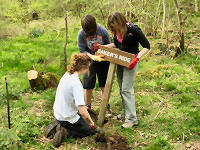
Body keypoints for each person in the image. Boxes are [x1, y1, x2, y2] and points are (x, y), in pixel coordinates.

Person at [102, 12, 150, 128]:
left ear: (120, 22)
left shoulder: (133, 30)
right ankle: (125, 113)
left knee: (126, 90)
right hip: (120, 61)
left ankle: (132, 119)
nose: (113, 28)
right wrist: (102, 47)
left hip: (131, 63)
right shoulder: (116, 31)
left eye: (114, 25)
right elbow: (116, 43)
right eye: (111, 26)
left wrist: (137, 58)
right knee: (122, 88)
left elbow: (147, 46)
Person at [52, 53, 96, 147]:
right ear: (84, 67)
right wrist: (91, 123)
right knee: (90, 131)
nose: (88, 69)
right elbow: (82, 111)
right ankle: (65, 132)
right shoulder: (76, 84)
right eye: (88, 67)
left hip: (58, 112)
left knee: (83, 119)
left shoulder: (67, 74)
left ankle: (59, 123)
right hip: (67, 117)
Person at [77, 14, 112, 116]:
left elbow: (109, 46)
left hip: (103, 61)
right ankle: (87, 107)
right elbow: (82, 50)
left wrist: (101, 49)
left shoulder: (103, 31)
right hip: (89, 62)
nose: (91, 35)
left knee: (104, 85)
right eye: (89, 33)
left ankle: (106, 107)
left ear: (96, 26)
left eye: (93, 32)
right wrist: (92, 57)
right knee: (88, 85)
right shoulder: (81, 34)